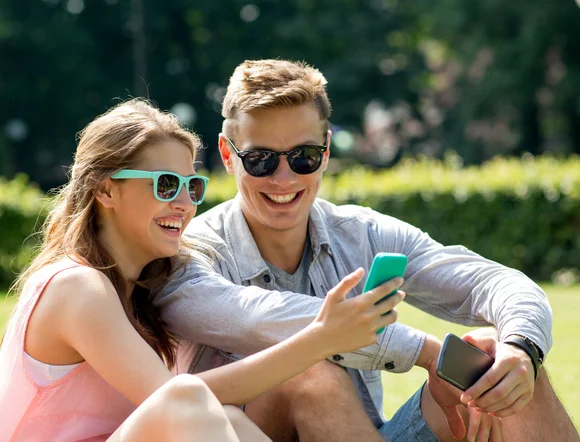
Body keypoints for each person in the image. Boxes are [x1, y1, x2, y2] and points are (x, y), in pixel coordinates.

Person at [155, 60, 580, 442]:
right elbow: (271, 320)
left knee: (494, 358)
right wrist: (426, 352)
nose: (283, 178)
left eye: (303, 156)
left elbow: (495, 283)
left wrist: (522, 348)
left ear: (325, 153)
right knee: (308, 368)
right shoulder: (190, 251)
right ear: (228, 156)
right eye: (262, 159)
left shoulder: (361, 232)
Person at [0, 99, 405, 442]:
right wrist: (320, 337)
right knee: (187, 400)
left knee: (231, 418)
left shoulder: (142, 291)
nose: (183, 203)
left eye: (191, 187)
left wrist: (318, 344)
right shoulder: (77, 286)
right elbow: (175, 401)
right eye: (164, 185)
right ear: (106, 190)